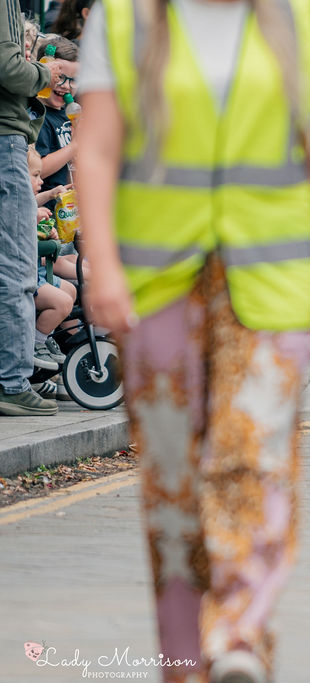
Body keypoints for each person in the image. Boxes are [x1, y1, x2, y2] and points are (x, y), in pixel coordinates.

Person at [74, 0, 310, 676]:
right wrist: (102, 265)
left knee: (254, 451)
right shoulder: (123, 18)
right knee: (171, 481)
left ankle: (238, 636)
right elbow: (97, 149)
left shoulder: (295, 18)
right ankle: (183, 659)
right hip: (156, 284)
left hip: (271, 282)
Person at [0, 0, 66, 417]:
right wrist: (44, 72)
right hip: (4, 138)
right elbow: (9, 70)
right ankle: (11, 382)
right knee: (17, 270)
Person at [28, 145, 75, 371]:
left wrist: (50, 194)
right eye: (36, 175)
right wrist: (34, 219)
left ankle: (44, 336)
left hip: (36, 270)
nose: (41, 181)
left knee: (71, 291)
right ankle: (34, 344)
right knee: (62, 302)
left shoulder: (27, 200)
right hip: (25, 274)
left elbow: (33, 202)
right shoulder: (14, 204)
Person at [34, 37, 77, 209]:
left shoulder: (68, 114)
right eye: (60, 77)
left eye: (73, 80)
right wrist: (75, 145)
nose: (66, 86)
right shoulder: (36, 115)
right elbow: (39, 168)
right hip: (47, 211)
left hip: (70, 211)